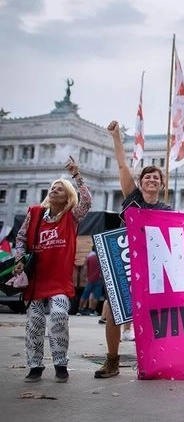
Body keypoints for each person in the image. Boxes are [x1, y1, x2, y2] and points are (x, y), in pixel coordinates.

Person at [96, 120, 172, 379]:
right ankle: (112, 360)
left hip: (151, 268)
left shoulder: (166, 211)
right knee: (114, 312)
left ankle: (150, 362)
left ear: (161, 185)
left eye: (156, 178)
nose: (151, 180)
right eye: (147, 177)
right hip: (122, 263)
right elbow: (121, 165)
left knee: (150, 318)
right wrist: (117, 136)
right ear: (140, 183)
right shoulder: (132, 199)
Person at [14, 157, 92, 382]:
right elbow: (20, 238)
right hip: (37, 279)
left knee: (59, 316)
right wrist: (19, 259)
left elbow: (87, 201)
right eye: (52, 188)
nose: (54, 190)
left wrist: (76, 175)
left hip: (58, 280)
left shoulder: (72, 217)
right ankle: (35, 366)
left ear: (68, 195)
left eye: (59, 188)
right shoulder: (35, 214)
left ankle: (60, 363)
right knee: (35, 323)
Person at [78, 246, 103, 316]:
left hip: (90, 280)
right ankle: (92, 311)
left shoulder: (89, 257)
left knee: (85, 295)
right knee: (96, 296)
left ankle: (80, 310)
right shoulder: (100, 258)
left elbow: (85, 268)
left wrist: (85, 277)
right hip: (98, 279)